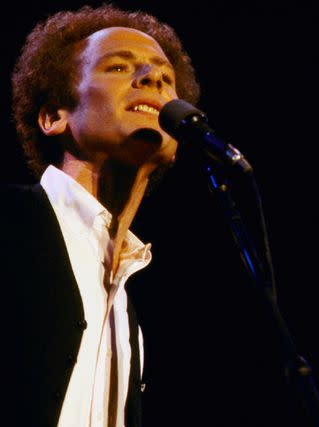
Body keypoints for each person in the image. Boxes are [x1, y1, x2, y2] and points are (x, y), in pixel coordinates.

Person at [3, 4, 199, 426]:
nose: (153, 80)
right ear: (54, 116)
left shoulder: (127, 308)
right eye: (118, 67)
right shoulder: (9, 223)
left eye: (166, 79)